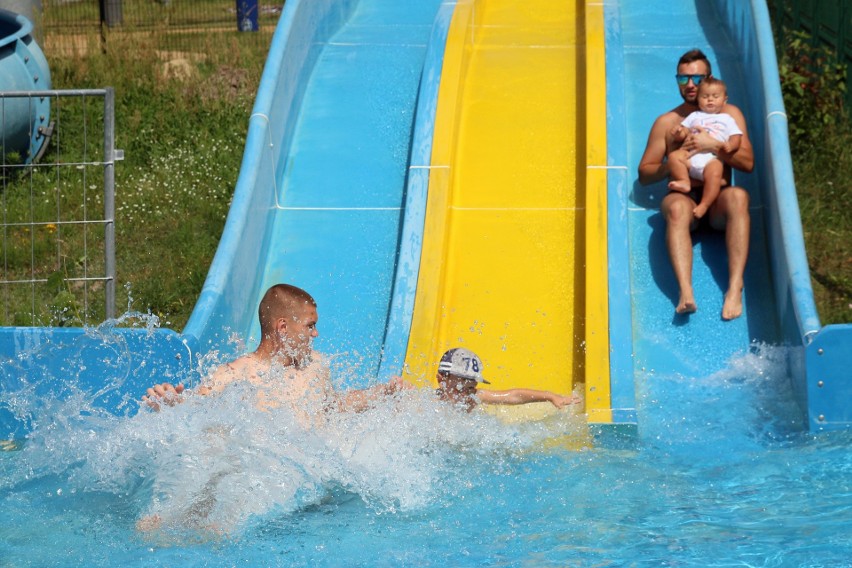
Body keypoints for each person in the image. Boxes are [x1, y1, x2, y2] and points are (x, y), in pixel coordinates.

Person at [142, 283, 406, 418]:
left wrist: (381, 393)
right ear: (282, 327)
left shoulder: (315, 365)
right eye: (310, 326)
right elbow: (197, 406)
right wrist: (172, 402)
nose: (316, 334)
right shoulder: (236, 374)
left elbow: (332, 406)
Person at [638, 49, 754, 320]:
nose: (690, 85)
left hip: (717, 203)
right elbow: (644, 173)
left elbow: (748, 163)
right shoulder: (668, 122)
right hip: (684, 196)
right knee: (677, 208)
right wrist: (673, 162)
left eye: (697, 78)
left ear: (709, 79)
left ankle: (735, 286)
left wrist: (714, 145)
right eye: (683, 79)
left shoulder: (730, 114)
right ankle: (685, 292)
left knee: (738, 196)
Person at [667, 77, 743, 220]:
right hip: (691, 157)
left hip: (711, 159)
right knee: (674, 157)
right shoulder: (694, 116)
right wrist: (678, 133)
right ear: (698, 100)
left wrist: (731, 145)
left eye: (715, 97)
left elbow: (736, 136)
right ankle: (684, 181)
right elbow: (683, 131)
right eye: (705, 96)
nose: (710, 100)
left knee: (715, 173)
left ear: (724, 100)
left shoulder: (727, 119)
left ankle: (705, 204)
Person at [432, 347, 581, 412]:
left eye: (470, 388)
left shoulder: (475, 396)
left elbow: (513, 395)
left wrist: (550, 396)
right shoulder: (432, 404)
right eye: (461, 388)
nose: (466, 394)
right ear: (441, 380)